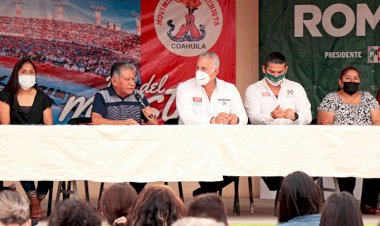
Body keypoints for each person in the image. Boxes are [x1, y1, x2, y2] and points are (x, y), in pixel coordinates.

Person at [176, 51, 248, 195]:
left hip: (223, 143)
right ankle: (207, 195)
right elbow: (187, 118)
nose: (199, 72)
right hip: (194, 143)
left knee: (243, 161)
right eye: (197, 68)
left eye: (204, 69)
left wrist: (236, 119)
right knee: (206, 159)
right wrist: (212, 121)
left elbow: (243, 117)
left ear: (216, 70)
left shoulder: (229, 89)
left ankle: (206, 192)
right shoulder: (184, 88)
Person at [244, 51, 312, 194]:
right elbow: (253, 118)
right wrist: (271, 115)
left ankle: (294, 193)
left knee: (309, 165)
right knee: (274, 180)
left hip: (294, 143)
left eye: (280, 72)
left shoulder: (296, 87)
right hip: (265, 144)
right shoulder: (253, 89)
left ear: (286, 69)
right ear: (264, 69)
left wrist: (295, 116)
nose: (276, 76)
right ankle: (285, 189)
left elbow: (308, 116)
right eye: (271, 72)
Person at [317, 66, 380, 214]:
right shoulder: (331, 98)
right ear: (340, 82)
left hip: (366, 144)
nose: (352, 81)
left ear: (360, 81)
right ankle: (347, 203)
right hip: (340, 145)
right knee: (346, 157)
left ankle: (368, 203)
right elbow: (325, 124)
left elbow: (377, 121)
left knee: (377, 158)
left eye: (355, 79)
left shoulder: (368, 97)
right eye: (348, 79)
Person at [0, 58, 53, 220]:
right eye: (24, 72)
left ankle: (38, 198)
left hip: (39, 145)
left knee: (52, 162)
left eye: (32, 72)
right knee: (22, 157)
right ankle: (34, 202)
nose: (28, 75)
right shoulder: (6, 96)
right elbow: (5, 125)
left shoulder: (43, 98)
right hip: (15, 145)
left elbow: (49, 127)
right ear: (16, 74)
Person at [91, 62, 157, 193]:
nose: (132, 83)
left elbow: (154, 126)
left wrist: (151, 118)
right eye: (127, 79)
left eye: (133, 79)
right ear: (114, 81)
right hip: (111, 149)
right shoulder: (102, 95)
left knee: (148, 161)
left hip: (135, 148)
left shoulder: (139, 96)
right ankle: (125, 198)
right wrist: (123, 123)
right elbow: (96, 120)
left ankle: (132, 195)